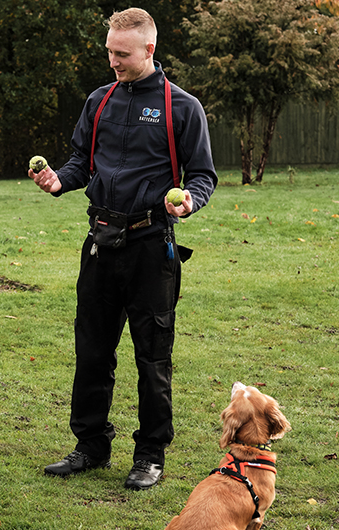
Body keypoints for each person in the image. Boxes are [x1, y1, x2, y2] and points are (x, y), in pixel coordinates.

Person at [29, 7, 217, 490]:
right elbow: (79, 163)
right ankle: (90, 446)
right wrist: (57, 182)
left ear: (149, 50)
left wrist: (190, 201)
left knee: (152, 354)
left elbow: (202, 176)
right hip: (100, 243)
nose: (112, 60)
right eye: (109, 51)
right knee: (92, 350)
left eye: (122, 53)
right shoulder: (99, 100)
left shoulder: (182, 107)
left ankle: (150, 454)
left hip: (151, 246)